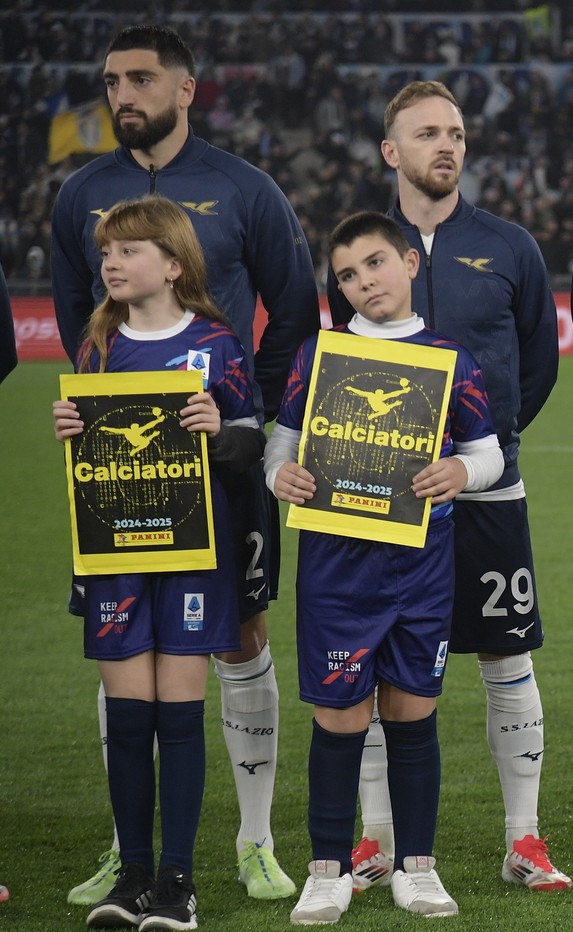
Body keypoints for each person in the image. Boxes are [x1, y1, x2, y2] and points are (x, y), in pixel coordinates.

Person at [51, 25, 320, 902]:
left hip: (225, 474)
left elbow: (296, 311)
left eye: (138, 79)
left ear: (184, 89)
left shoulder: (246, 188)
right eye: (110, 80)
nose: (122, 94)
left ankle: (251, 837)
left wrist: (247, 420)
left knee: (238, 638)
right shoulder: (83, 192)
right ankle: (130, 851)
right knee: (124, 651)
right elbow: (73, 317)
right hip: (127, 488)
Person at [323, 81, 568, 893]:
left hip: (489, 492)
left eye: (456, 132)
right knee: (375, 668)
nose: (447, 145)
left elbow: (536, 363)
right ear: (391, 152)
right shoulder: (363, 250)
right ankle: (377, 841)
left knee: (506, 654)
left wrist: (482, 448)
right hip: (380, 500)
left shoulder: (510, 246)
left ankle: (524, 839)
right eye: (428, 133)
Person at [269, 212, 504, 924]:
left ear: (407, 262)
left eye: (374, 264)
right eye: (346, 274)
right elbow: (281, 447)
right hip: (337, 565)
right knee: (339, 717)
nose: (362, 282)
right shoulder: (321, 355)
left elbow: (490, 453)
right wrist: (280, 477)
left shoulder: (449, 359)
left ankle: (417, 868)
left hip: (421, 566)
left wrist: (461, 469)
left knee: (412, 714)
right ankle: (327, 869)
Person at [53, 197, 268, 930]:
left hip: (191, 554)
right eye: (106, 252)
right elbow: (90, 456)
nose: (111, 262)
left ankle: (177, 881)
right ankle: (132, 875)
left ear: (173, 264)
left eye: (129, 250)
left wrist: (219, 430)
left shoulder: (215, 342)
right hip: (115, 554)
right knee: (128, 714)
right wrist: (70, 431)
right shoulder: (99, 344)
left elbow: (251, 436)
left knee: (177, 717)